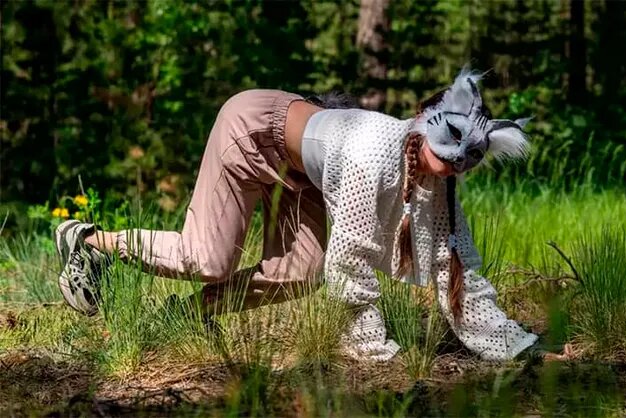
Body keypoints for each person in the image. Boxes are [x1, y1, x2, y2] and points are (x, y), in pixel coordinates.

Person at [55, 69, 573, 362]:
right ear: (425, 122)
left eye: (471, 158)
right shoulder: (373, 157)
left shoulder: (435, 176)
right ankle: (89, 240)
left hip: (302, 167)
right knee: (207, 258)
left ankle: (183, 318)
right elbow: (349, 261)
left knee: (298, 274)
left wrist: (511, 344)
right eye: (452, 146)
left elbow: (454, 261)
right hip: (254, 129)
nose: (457, 162)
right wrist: (370, 345)